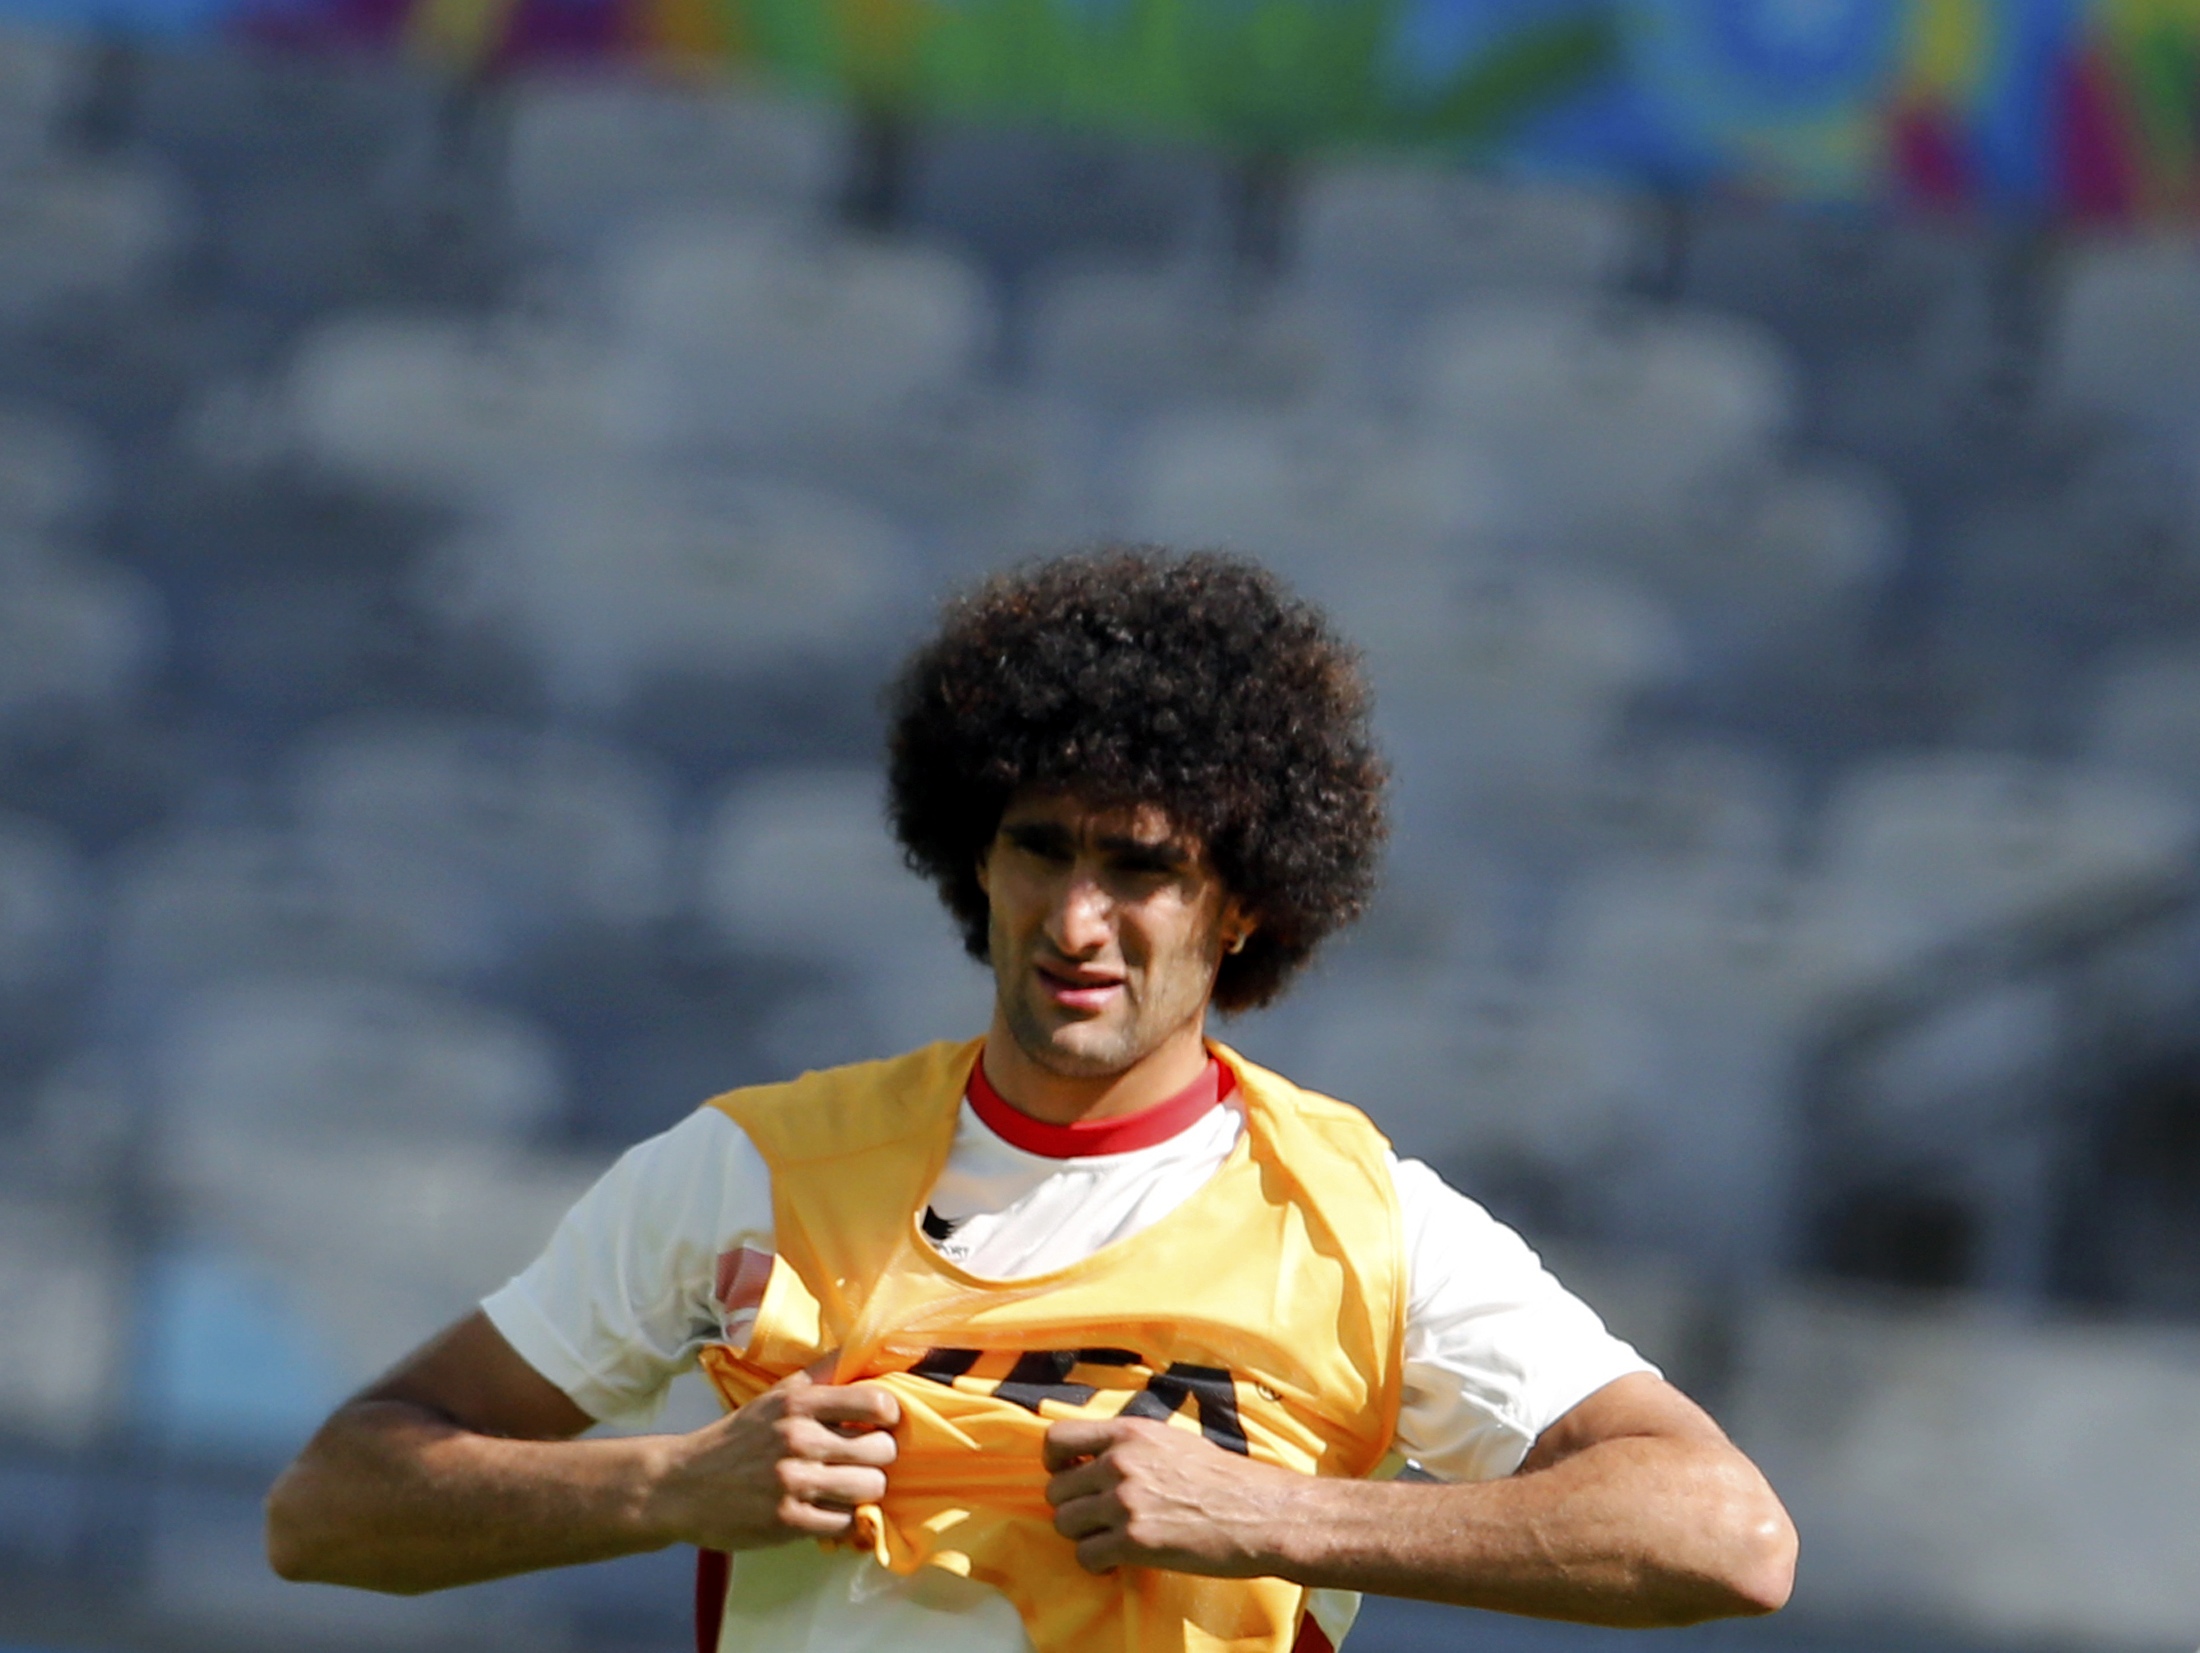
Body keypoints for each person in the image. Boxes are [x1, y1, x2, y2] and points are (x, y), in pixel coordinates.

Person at [265, 549, 1797, 1653]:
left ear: (1243, 905)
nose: (1077, 918)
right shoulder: (750, 1172)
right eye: (1040, 850)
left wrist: (1276, 1514)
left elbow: (1726, 1537)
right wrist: (670, 1481)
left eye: (1141, 866)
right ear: (971, 863)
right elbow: (329, 1507)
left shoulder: (1365, 1225)